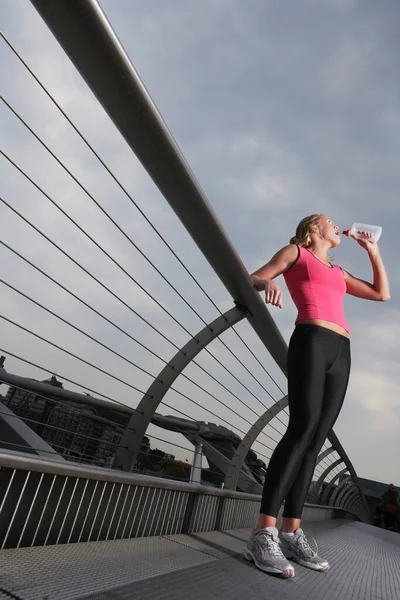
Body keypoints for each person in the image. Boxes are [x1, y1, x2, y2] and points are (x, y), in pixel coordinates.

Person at [244, 214, 390, 578]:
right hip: (310, 340)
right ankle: (264, 533)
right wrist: (266, 285)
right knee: (302, 426)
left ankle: (292, 532)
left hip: (341, 350)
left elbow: (382, 293)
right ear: (313, 229)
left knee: (316, 437)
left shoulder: (338, 273)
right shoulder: (296, 253)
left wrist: (372, 250)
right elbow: (252, 277)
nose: (335, 225)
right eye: (328, 221)